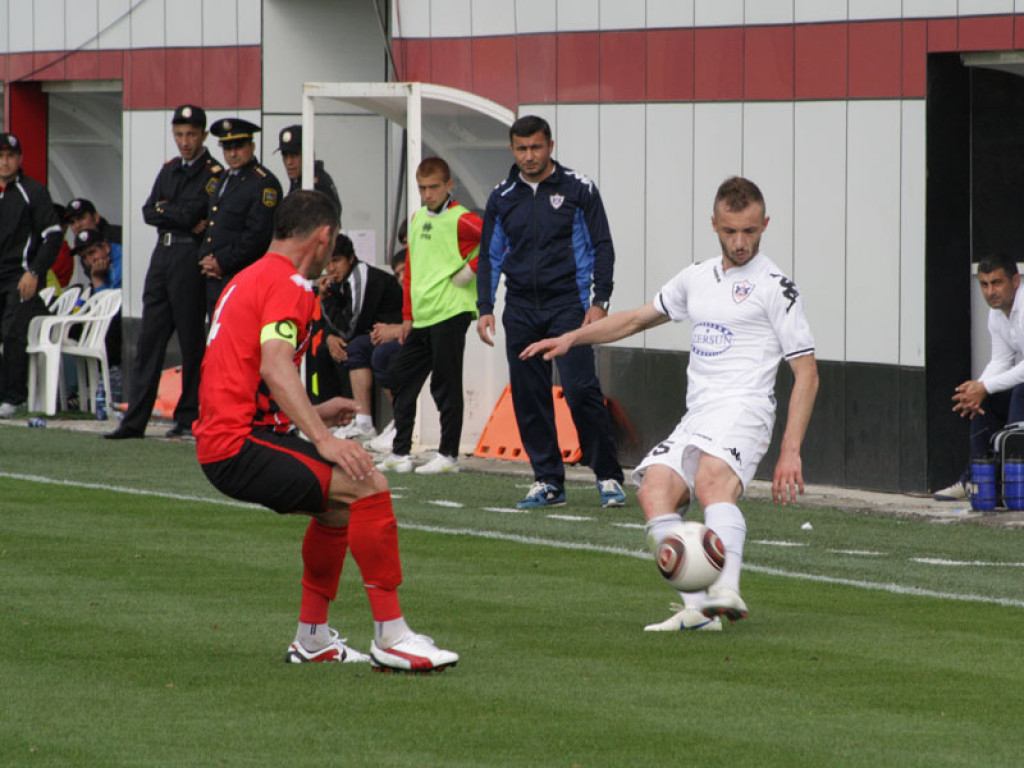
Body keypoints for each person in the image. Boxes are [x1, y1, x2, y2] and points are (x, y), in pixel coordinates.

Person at [522, 176, 818, 631]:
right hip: (699, 413)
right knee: (653, 490)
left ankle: (727, 589)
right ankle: (699, 610)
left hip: (746, 407)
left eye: (750, 231)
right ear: (714, 224)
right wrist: (572, 337)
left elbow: (807, 374)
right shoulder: (695, 278)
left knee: (711, 481)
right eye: (730, 231)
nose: (740, 242)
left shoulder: (776, 287)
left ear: (765, 225)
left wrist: (791, 450)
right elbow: (635, 319)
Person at [193, 189, 458, 671]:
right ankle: (392, 636)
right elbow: (275, 365)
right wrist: (323, 438)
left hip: (229, 439)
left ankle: (312, 639)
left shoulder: (249, 277)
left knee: (337, 509)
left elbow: (250, 376)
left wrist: (315, 411)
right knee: (368, 484)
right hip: (238, 444)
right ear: (324, 236)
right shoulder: (289, 283)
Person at [476, 114, 626, 509]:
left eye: (536, 147)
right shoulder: (501, 197)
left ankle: (608, 475)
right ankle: (547, 481)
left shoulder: (579, 189)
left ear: (551, 147)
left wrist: (600, 301)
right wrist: (485, 306)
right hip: (520, 309)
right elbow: (489, 255)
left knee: (580, 390)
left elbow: (603, 246)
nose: (529, 156)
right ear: (512, 149)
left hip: (569, 307)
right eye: (522, 148)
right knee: (529, 397)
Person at [107, 104, 221, 440]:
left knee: (190, 341)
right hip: (163, 254)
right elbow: (148, 211)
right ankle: (134, 421)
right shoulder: (170, 170)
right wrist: (176, 213)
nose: (184, 142)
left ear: (203, 135)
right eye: (179, 134)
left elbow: (193, 214)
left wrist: (170, 211)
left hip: (188, 255)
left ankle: (188, 417)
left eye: (191, 135)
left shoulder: (212, 173)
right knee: (148, 341)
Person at [375, 157, 481, 475]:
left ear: (449, 185)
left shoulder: (463, 219)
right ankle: (400, 452)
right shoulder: (417, 218)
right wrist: (407, 315)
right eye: (422, 188)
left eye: (434, 187)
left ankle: (448, 456)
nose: (427, 194)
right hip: (422, 317)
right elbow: (411, 270)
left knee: (445, 384)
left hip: (450, 311)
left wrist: (470, 269)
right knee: (400, 376)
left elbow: (501, 241)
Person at [934, 253, 1024, 501]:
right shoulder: (997, 313)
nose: (990, 292)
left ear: (1015, 280)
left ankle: (1012, 483)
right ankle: (975, 480)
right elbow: (1001, 360)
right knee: (985, 401)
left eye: (997, 283)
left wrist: (985, 386)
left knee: (1020, 393)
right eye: (984, 284)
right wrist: (976, 391)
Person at [313, 233, 403, 440]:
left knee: (352, 348)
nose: (331, 268)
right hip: (369, 334)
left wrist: (325, 300)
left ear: (350, 258)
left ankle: (372, 420)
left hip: (393, 332)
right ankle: (342, 421)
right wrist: (330, 337)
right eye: (327, 262)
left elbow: (349, 328)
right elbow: (341, 321)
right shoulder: (339, 281)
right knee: (324, 351)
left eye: (336, 261)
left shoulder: (360, 277)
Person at [0, 133, 63, 418]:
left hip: (21, 276)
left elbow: (53, 236)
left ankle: (15, 397)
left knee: (13, 330)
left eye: (10, 156)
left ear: (20, 159)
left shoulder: (33, 192)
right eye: (1, 156)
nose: (5, 162)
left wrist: (35, 271)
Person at [198, 117, 283, 317]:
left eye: (238, 146)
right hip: (215, 277)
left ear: (252, 146)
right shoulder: (224, 178)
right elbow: (214, 223)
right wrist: (205, 258)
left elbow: (258, 235)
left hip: (242, 276)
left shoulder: (263, 182)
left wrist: (221, 262)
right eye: (227, 148)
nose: (233, 153)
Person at [276, 124, 341, 218]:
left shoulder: (316, 185)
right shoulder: (299, 180)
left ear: (309, 154)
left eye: (295, 155)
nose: (289, 162)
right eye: (285, 156)